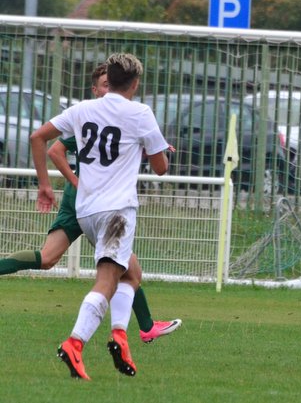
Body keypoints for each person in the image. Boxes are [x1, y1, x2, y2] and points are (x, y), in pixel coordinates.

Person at [0, 64, 182, 344]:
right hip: (94, 201)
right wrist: (73, 181)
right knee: (121, 267)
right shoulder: (91, 117)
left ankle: (146, 326)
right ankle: (135, 329)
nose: (110, 89)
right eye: (104, 84)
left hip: (92, 200)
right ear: (95, 90)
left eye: (112, 83)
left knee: (52, 258)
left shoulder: (109, 116)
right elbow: (55, 148)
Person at [31, 53, 170, 380]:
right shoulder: (140, 113)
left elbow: (39, 137)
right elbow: (161, 167)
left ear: (110, 77)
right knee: (108, 281)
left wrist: (44, 185)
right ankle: (75, 343)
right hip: (117, 211)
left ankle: (120, 336)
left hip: (86, 209)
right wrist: (152, 148)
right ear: (135, 83)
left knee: (131, 273)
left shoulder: (82, 109)